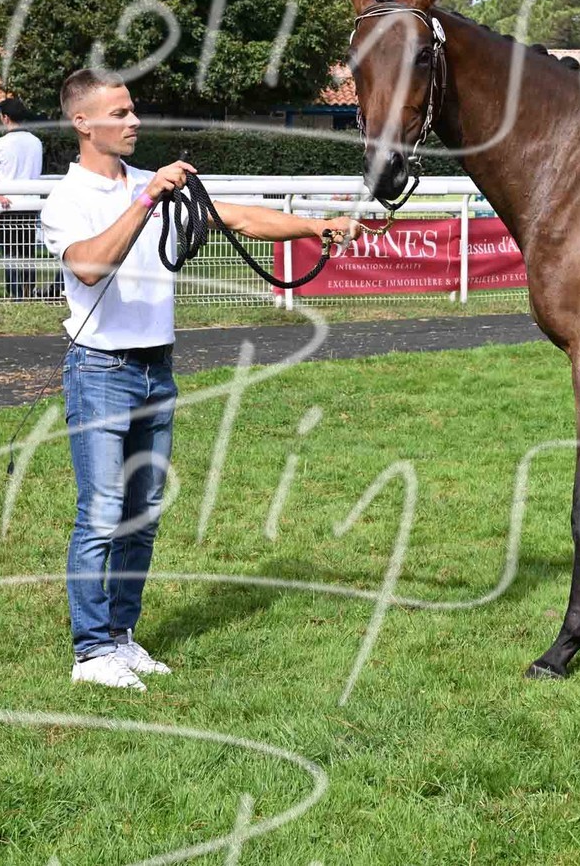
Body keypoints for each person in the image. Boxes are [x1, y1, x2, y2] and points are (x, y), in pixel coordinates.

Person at [41, 67, 363, 692]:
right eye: (119, 113)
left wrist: (316, 227)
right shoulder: (69, 199)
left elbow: (238, 219)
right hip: (99, 371)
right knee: (101, 512)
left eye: (132, 110)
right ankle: (90, 653)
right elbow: (88, 266)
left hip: (155, 369)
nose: (134, 121)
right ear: (83, 122)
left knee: (142, 514)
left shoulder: (150, 183)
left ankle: (120, 637)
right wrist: (144, 200)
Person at [0, 97, 45, 300]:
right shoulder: (36, 142)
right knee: (27, 250)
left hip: (8, 204)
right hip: (31, 202)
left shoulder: (1, 143)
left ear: (5, 117)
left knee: (10, 250)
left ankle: (15, 292)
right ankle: (29, 290)